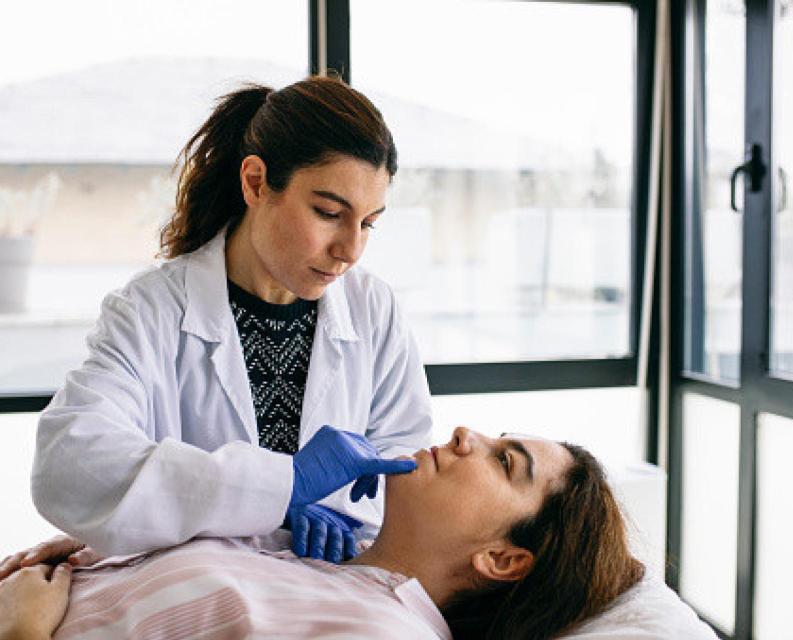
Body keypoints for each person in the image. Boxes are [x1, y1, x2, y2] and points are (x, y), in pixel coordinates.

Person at [25, 75, 433, 563]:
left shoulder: (375, 312)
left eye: (368, 224)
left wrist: (349, 516)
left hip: (331, 594)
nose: (350, 251)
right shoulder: (151, 310)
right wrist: (281, 493)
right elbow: (68, 464)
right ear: (256, 182)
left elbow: (405, 474)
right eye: (328, 212)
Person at [0, 427, 646, 640]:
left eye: (505, 462)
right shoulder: (314, 556)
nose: (465, 434)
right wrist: (102, 555)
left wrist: (24, 631)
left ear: (503, 559)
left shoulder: (383, 634)